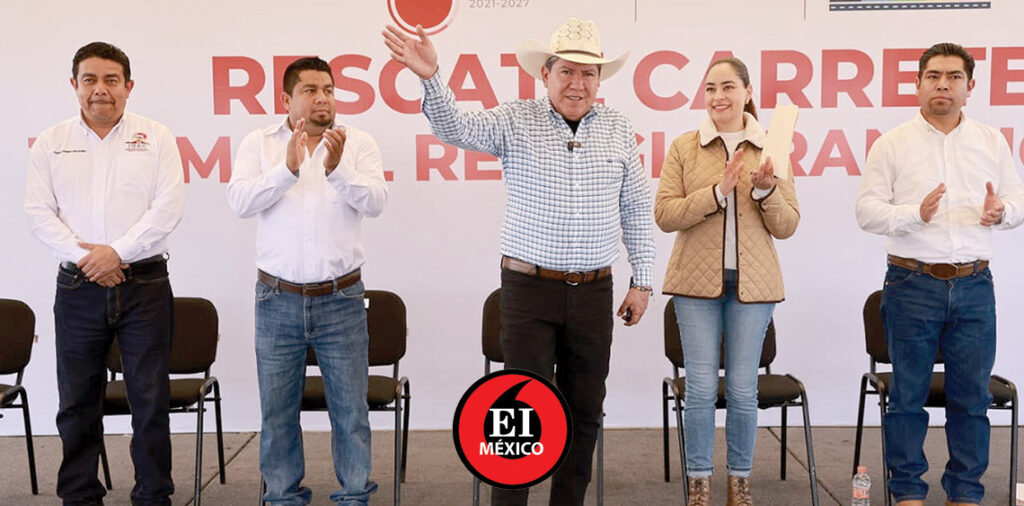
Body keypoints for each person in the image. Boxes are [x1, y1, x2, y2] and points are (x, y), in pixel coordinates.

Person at [383, 17, 655, 506]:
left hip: (595, 292)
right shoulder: (515, 119)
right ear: (545, 74)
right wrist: (431, 77)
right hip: (529, 290)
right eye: (567, 71)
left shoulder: (618, 128)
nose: (577, 83)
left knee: (585, 409)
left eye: (588, 73)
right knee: (521, 417)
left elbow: (635, 206)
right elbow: (455, 127)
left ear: (600, 80)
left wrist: (644, 280)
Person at [856, 42, 1024, 506]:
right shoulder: (892, 144)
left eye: (953, 77)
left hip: (974, 285)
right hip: (911, 284)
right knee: (907, 397)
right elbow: (867, 212)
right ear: (917, 85)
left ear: (970, 87)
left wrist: (1002, 212)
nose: (943, 85)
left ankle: (965, 493)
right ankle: (908, 492)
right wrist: (915, 213)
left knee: (971, 399)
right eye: (933, 76)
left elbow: (1018, 200)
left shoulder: (991, 141)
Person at [24, 41, 184, 506]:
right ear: (74, 85)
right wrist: (91, 260)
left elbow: (167, 208)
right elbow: (38, 213)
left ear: (128, 86)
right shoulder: (51, 142)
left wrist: (117, 253)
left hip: (145, 285)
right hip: (78, 286)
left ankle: (153, 495)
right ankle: (79, 495)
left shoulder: (157, 137)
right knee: (76, 401)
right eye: (90, 80)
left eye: (111, 80)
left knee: (150, 400)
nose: (100, 89)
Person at [226, 56, 387, 506]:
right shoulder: (259, 143)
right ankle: (282, 497)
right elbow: (239, 201)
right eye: (311, 90)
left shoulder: (357, 143)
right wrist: (287, 169)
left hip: (342, 298)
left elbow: (376, 202)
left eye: (329, 90)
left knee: (351, 411)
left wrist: (338, 169)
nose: (323, 99)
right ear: (287, 99)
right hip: (276, 297)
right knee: (277, 412)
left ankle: (354, 496)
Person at [654, 57, 800, 506]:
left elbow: (788, 225)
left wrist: (765, 191)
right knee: (699, 388)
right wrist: (717, 193)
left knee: (742, 389)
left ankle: (740, 485)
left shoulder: (772, 146)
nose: (718, 97)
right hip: (695, 286)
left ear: (748, 91)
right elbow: (665, 214)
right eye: (711, 88)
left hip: (754, 287)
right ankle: (699, 484)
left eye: (728, 87)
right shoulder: (684, 146)